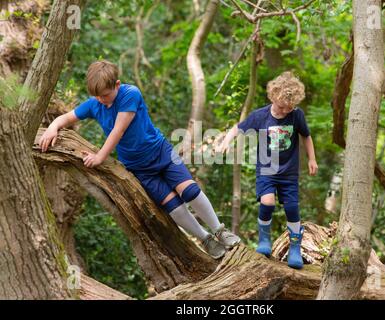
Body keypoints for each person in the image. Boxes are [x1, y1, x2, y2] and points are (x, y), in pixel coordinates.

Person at [39, 60, 240, 259]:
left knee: (189, 191)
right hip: (140, 168)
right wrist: (52, 127)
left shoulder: (130, 94)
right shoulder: (95, 104)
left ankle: (219, 230)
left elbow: (119, 130)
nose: (101, 100)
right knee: (174, 207)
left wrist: (100, 156)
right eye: (97, 96)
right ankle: (205, 239)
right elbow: (66, 117)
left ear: (117, 85)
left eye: (105, 95)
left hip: (162, 153)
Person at [219, 71, 318, 269]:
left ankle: (295, 248)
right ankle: (264, 240)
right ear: (273, 97)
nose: (284, 112)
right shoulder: (260, 116)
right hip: (267, 170)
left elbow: (306, 136)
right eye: (281, 107)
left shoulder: (296, 115)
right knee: (268, 202)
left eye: (288, 109)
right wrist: (225, 142)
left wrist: (312, 159)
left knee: (292, 208)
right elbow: (238, 128)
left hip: (289, 172)